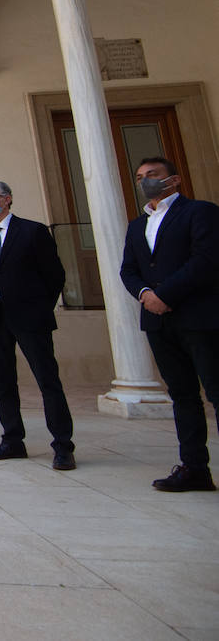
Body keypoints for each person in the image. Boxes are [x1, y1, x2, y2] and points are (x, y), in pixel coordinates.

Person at [120, 156, 219, 492]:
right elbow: (128, 270)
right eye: (140, 177)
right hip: (158, 322)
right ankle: (194, 468)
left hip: (199, 318)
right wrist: (146, 294)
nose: (146, 180)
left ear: (173, 180)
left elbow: (206, 259)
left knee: (216, 392)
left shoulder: (199, 212)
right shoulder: (136, 225)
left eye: (153, 175)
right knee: (182, 395)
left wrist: (166, 294)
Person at [0, 180, 75, 470]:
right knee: (3, 383)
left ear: (7, 199)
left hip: (30, 317)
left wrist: (39, 306)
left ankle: (63, 445)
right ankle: (12, 439)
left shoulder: (33, 231)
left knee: (47, 381)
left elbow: (54, 275)